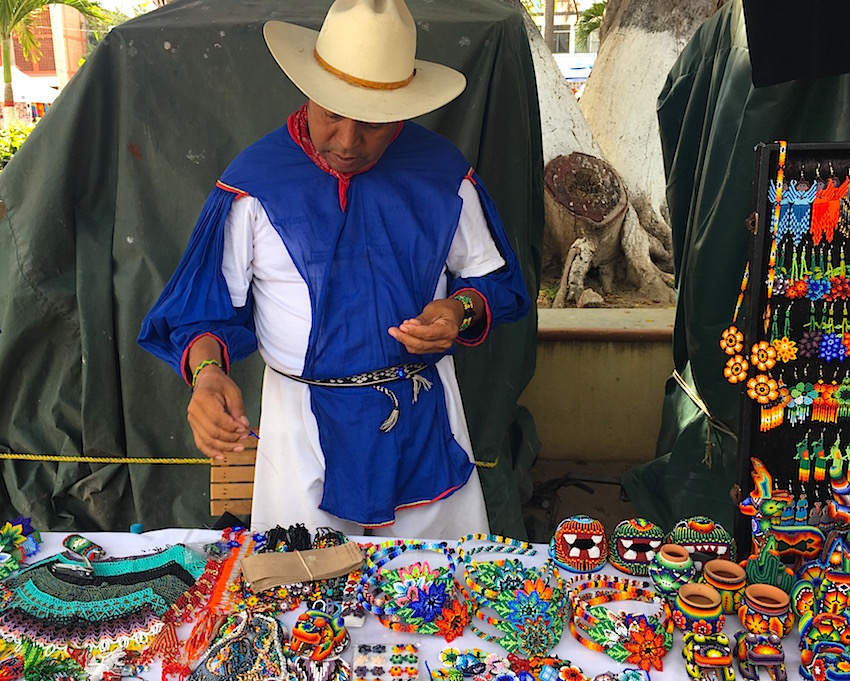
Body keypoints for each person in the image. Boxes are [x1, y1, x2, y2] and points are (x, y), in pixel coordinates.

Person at [138, 0, 530, 539]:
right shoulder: (254, 183)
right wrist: (206, 377)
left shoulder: (443, 175)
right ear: (309, 91)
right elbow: (199, 313)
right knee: (303, 599)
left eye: (372, 124)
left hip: (425, 415)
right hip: (301, 431)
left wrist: (458, 311)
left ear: (405, 110)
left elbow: (492, 283)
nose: (348, 142)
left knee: (439, 595)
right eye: (331, 114)